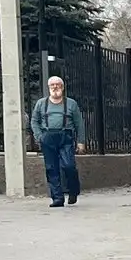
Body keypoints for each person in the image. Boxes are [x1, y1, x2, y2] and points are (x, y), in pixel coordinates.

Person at [29, 73, 86, 208]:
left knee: (69, 166)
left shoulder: (71, 104)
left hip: (66, 137)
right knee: (51, 168)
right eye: (52, 85)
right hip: (47, 137)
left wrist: (81, 142)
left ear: (63, 87)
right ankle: (57, 198)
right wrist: (39, 136)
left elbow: (79, 123)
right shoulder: (41, 103)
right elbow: (34, 121)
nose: (55, 87)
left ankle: (73, 191)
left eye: (58, 85)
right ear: (49, 87)